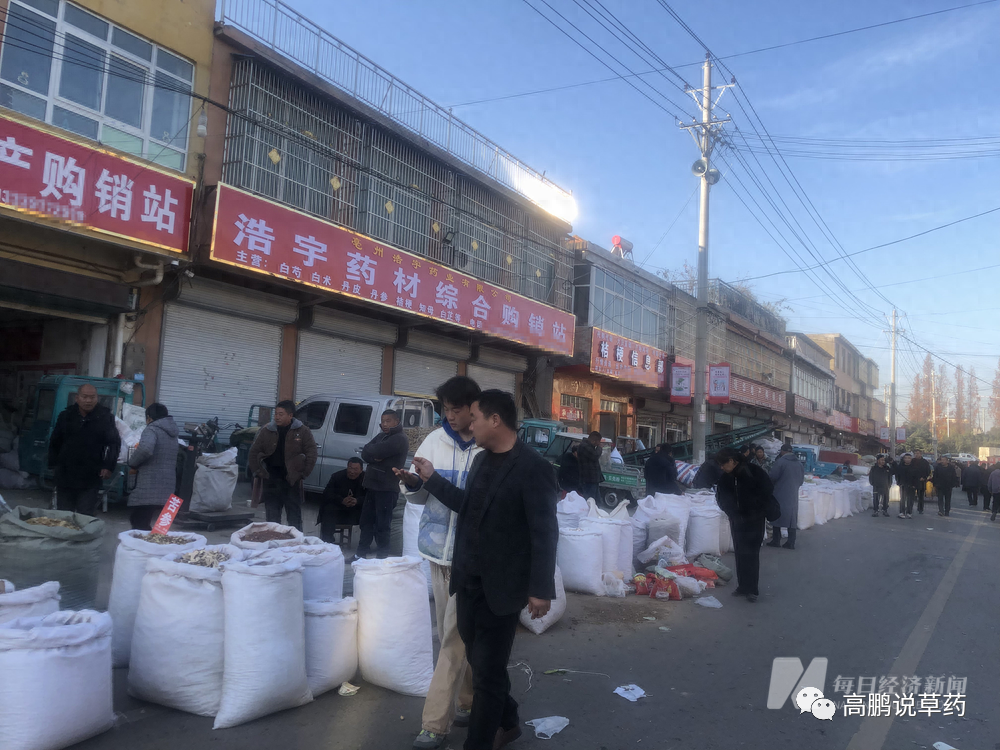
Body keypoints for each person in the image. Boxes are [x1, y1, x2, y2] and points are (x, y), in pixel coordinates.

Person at [397, 390, 558, 750]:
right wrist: (430, 479)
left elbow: (545, 533)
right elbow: (467, 507)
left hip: (501, 589)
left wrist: (540, 589)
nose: (470, 426)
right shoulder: (482, 461)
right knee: (483, 666)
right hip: (467, 581)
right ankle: (509, 721)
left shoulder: (534, 468)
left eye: (475, 418)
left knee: (486, 675)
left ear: (495, 420)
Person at [399, 377, 483, 750]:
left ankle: (434, 724)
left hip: (470, 559)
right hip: (437, 554)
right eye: (445, 409)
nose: (449, 416)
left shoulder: (485, 446)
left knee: (452, 639)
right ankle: (469, 701)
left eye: (456, 409)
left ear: (473, 408)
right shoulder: (434, 441)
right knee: (453, 634)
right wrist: (412, 484)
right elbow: (419, 498)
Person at [48, 383, 120, 516]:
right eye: (85, 397)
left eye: (92, 397)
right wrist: (53, 464)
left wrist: (108, 466)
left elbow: (114, 443)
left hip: (91, 475)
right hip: (66, 474)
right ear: (77, 398)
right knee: (64, 515)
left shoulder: (104, 417)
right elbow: (55, 441)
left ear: (97, 398)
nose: (88, 401)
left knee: (85, 515)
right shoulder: (66, 416)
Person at [247, 399, 317, 531]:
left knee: (294, 517)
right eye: (276, 414)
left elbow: (312, 453)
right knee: (272, 517)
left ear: (290, 415)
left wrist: (303, 474)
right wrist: (258, 471)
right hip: (271, 479)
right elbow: (254, 452)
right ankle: (274, 541)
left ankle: (296, 541)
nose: (277, 417)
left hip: (291, 480)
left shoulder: (303, 431)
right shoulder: (267, 430)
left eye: (281, 414)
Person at [715, 446, 772, 602]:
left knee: (752, 554)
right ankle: (742, 586)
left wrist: (757, 510)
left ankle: (752, 589)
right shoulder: (725, 478)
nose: (721, 467)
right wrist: (731, 512)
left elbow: (767, 490)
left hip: (755, 520)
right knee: (740, 553)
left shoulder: (754, 471)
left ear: (732, 461)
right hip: (736, 521)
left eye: (723, 464)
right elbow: (720, 497)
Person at [355, 409, 409, 559]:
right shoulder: (381, 436)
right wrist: (374, 456)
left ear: (396, 421)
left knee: (382, 525)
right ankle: (360, 554)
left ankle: (382, 558)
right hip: (372, 485)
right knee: (366, 522)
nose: (384, 424)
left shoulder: (399, 438)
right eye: (382, 421)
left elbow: (376, 451)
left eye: (388, 421)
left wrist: (374, 454)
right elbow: (365, 452)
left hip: (387, 488)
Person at [126, 403, 179, 530]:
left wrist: (133, 462)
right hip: (167, 484)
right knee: (158, 528)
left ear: (149, 418)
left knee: (138, 522)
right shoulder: (173, 433)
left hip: (149, 485)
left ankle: (143, 542)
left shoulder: (152, 429)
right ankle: (153, 542)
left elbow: (145, 449)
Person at [318, 458, 366, 543]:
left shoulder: (366, 479)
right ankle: (327, 541)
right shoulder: (337, 476)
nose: (352, 472)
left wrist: (357, 501)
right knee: (328, 509)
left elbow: (370, 497)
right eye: (350, 468)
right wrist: (341, 500)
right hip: (339, 510)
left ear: (361, 470)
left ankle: (365, 544)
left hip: (357, 512)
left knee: (371, 514)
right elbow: (327, 493)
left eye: (355, 469)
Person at [767, 444, 804, 549]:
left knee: (777, 515)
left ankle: (776, 540)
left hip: (779, 493)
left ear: (782, 451)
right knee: (792, 518)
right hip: (793, 494)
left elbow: (773, 476)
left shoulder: (781, 462)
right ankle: (791, 542)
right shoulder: (799, 463)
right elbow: (801, 480)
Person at [576, 431, 604, 501]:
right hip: (588, 479)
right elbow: (595, 455)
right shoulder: (584, 447)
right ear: (594, 441)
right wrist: (599, 448)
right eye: (598, 441)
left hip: (593, 479)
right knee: (590, 500)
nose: (599, 443)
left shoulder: (589, 447)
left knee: (597, 501)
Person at [895, 453, 919, 519]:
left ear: (911, 459)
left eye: (909, 458)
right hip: (903, 485)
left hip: (912, 485)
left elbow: (917, 477)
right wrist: (899, 483)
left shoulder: (914, 467)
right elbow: (897, 475)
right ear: (903, 459)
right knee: (902, 499)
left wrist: (915, 485)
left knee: (910, 499)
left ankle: (909, 512)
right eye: (906, 458)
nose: (907, 459)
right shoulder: (900, 467)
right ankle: (902, 512)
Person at [911, 449, 932, 514]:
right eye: (915, 453)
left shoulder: (925, 462)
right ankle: (910, 508)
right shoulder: (912, 461)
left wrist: (924, 477)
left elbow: (928, 471)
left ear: (921, 454)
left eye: (918, 453)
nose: (916, 455)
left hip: (921, 481)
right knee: (911, 495)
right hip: (913, 481)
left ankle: (920, 508)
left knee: (921, 496)